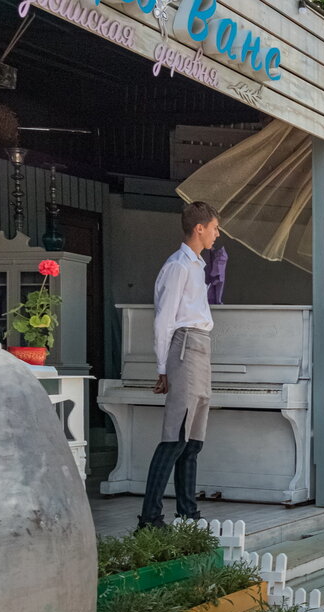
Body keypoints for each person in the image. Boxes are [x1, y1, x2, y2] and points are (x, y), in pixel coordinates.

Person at [138, 201, 221, 529]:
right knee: (175, 435)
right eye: (214, 227)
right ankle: (150, 517)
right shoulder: (178, 266)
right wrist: (162, 368)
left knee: (193, 439)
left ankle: (188, 513)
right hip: (184, 347)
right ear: (199, 228)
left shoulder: (197, 266)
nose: (217, 234)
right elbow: (164, 320)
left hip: (201, 348)